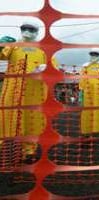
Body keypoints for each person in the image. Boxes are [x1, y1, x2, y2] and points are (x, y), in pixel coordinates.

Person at [0, 21, 50, 161]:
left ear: (37, 32)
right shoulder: (14, 46)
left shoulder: (44, 49)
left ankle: (29, 151)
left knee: (31, 120)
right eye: (24, 28)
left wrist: (46, 68)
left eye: (31, 29)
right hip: (13, 89)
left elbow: (54, 66)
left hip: (34, 91)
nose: (27, 31)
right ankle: (2, 144)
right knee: (6, 116)